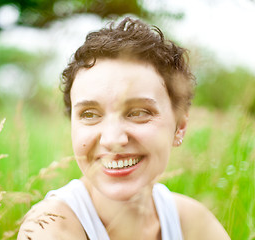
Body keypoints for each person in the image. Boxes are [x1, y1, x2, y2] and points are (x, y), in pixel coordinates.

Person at [17, 17, 230, 240]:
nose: (112, 139)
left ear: (180, 127)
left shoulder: (194, 223)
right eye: (89, 114)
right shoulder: (50, 229)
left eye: (138, 112)